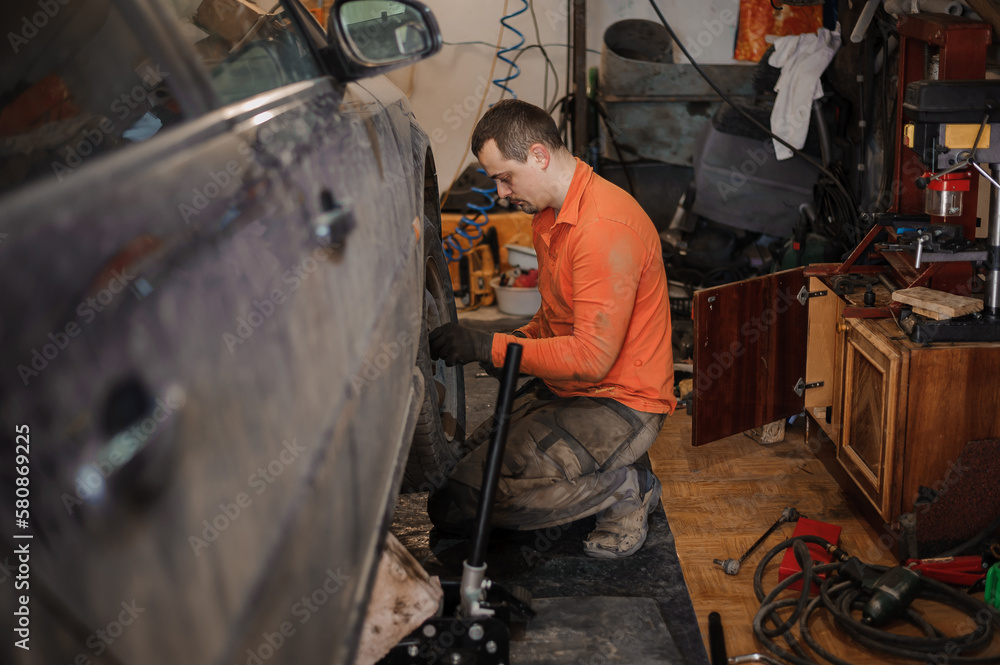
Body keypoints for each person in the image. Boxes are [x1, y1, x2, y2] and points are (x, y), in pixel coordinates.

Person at [428, 99, 675, 559]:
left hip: (620, 402)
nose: (500, 193)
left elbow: (592, 357)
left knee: (459, 506)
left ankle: (623, 487)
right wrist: (521, 340)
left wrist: (492, 346)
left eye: (505, 177)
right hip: (571, 390)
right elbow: (555, 319)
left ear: (539, 155)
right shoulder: (550, 217)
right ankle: (601, 471)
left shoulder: (601, 228)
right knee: (452, 476)